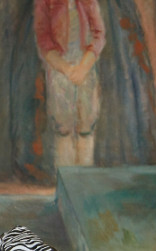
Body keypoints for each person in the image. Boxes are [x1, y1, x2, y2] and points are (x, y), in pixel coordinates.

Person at [34, 0, 105, 168]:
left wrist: (83, 68)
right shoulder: (44, 2)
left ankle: (85, 183)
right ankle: (67, 181)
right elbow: (43, 39)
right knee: (63, 126)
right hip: (59, 67)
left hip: (85, 66)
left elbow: (99, 35)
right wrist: (66, 69)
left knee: (86, 124)